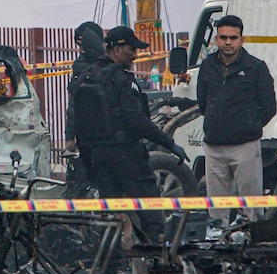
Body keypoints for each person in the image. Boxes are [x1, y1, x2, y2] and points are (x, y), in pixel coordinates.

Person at [70, 26, 189, 248]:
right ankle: (158, 263)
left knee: (112, 217)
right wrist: (170, 144)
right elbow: (137, 120)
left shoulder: (88, 76)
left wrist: (90, 163)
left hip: (99, 158)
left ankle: (112, 269)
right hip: (126, 154)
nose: (135, 55)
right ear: (115, 50)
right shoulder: (122, 79)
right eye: (131, 49)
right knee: (150, 209)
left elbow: (79, 124)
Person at [197, 15, 277, 225]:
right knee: (216, 211)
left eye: (233, 37)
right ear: (216, 39)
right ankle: (217, 245)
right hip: (214, 146)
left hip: (245, 146)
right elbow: (203, 102)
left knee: (251, 208)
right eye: (223, 37)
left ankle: (252, 247)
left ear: (242, 39)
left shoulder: (256, 68)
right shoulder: (207, 66)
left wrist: (249, 126)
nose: (228, 42)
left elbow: (269, 107)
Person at [64, 21, 105, 152]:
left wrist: (70, 136)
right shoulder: (82, 66)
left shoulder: (103, 65)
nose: (80, 50)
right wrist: (70, 135)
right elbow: (73, 103)